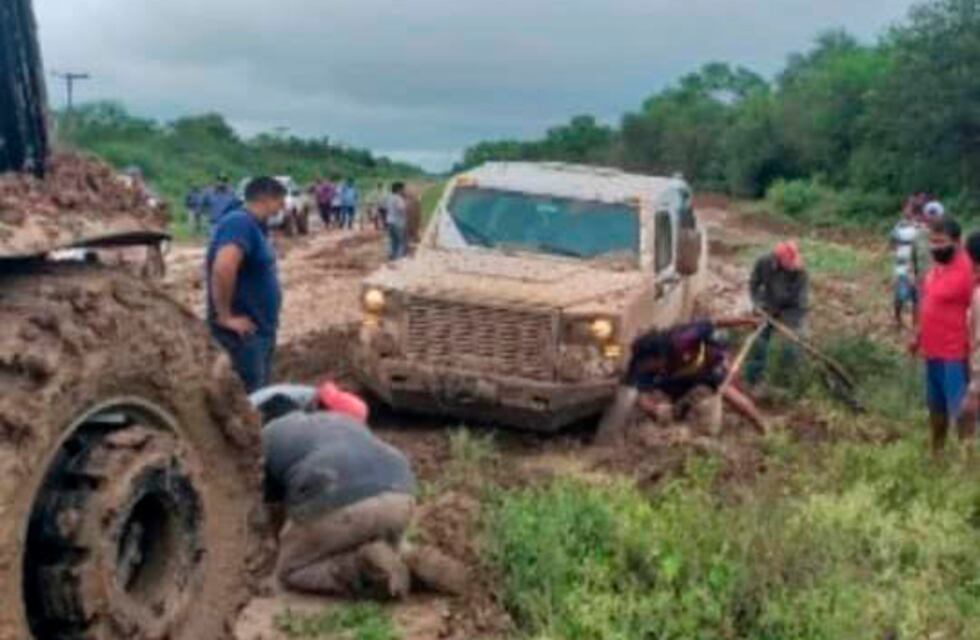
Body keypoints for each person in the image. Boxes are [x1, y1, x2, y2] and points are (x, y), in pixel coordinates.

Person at [250, 383, 467, 598]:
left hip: (340, 494)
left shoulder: (266, 435)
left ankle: (362, 569)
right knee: (360, 532)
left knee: (290, 571)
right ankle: (409, 557)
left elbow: (269, 505)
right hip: (401, 493)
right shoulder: (337, 420)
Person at [207, 176, 286, 392]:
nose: (282, 207)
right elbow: (223, 267)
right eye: (280, 200)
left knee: (259, 394)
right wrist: (224, 316)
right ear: (266, 198)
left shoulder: (254, 226)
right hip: (243, 337)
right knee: (248, 398)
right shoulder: (239, 223)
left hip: (258, 331)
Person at [623, 319, 768, 434]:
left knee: (730, 394)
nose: (646, 368)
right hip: (676, 379)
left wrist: (748, 321)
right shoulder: (642, 366)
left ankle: (763, 428)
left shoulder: (683, 337)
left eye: (650, 364)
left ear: (659, 357)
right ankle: (680, 423)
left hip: (705, 366)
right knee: (669, 408)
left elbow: (714, 322)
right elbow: (641, 396)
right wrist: (655, 409)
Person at [911, 217, 974, 458]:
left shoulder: (967, 272)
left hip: (955, 353)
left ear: (956, 242)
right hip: (932, 351)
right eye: (932, 242)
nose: (935, 247)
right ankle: (937, 453)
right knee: (936, 408)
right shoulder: (936, 270)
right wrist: (917, 337)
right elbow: (928, 304)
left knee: (960, 409)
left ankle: (967, 458)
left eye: (940, 242)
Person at [745, 240, 809, 387]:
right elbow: (754, 283)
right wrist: (756, 305)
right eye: (789, 263)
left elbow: (801, 303)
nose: (792, 266)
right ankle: (754, 380)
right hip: (767, 305)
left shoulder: (801, 273)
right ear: (779, 259)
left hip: (791, 310)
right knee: (758, 343)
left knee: (793, 346)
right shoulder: (764, 262)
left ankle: (788, 382)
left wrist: (790, 327)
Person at [890, 212, 924, 329]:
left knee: (917, 298)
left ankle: (915, 325)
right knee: (901, 295)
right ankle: (897, 318)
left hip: (917, 268)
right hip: (903, 267)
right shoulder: (899, 227)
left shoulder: (922, 229)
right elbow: (893, 244)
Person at [385, 182, 408, 260]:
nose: (404, 191)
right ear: (399, 189)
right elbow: (401, 209)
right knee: (400, 241)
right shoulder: (398, 198)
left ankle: (391, 255)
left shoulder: (389, 197)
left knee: (392, 240)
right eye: (403, 189)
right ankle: (399, 258)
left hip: (389, 221)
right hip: (398, 222)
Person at [404, 185, 423, 251]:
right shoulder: (415, 202)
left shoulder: (409, 202)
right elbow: (418, 215)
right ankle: (411, 241)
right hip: (411, 220)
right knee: (411, 230)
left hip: (410, 220)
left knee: (410, 230)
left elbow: (418, 215)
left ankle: (410, 242)